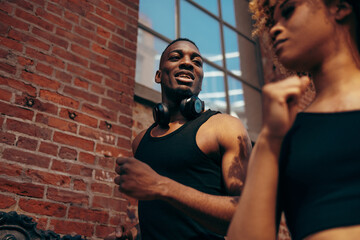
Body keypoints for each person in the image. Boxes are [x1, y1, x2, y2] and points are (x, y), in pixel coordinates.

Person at [227, 0, 360, 240]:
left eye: (288, 11)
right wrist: (269, 140)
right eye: (272, 23)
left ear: (339, 7)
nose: (275, 30)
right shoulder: (278, 136)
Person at [108, 38, 252, 240]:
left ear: (201, 79)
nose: (187, 63)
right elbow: (174, 218)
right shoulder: (140, 142)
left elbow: (248, 216)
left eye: (197, 62)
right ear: (158, 75)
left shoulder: (225, 127)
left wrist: (160, 185)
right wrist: (133, 234)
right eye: (176, 57)